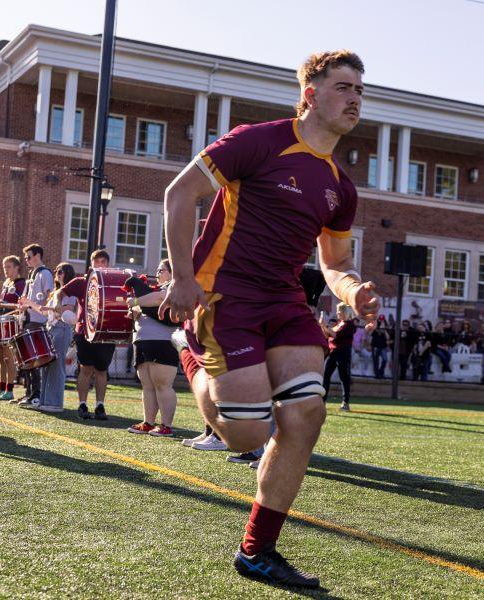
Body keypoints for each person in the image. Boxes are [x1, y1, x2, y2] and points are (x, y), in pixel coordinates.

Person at [160, 50, 377, 588]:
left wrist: (354, 294)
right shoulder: (257, 140)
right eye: (344, 87)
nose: (354, 99)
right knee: (246, 432)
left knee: (306, 416)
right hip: (222, 296)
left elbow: (336, 264)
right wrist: (184, 280)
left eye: (360, 91)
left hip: (283, 302)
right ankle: (189, 352)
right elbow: (180, 192)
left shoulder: (339, 187)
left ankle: (257, 551)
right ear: (311, 93)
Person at [125, 259, 180, 437]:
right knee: (147, 385)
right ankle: (148, 422)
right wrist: (136, 312)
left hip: (163, 341)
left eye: (161, 270)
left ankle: (166, 425)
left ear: (172, 273)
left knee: (163, 385)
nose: (157, 273)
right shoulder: (151, 292)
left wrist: (134, 301)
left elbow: (159, 299)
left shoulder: (173, 286)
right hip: (143, 340)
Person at [59, 249, 115, 420]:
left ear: (108, 264)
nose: (99, 265)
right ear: (91, 264)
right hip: (84, 332)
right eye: (96, 262)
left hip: (106, 333)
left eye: (103, 262)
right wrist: (61, 308)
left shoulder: (114, 282)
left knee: (101, 371)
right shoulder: (81, 282)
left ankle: (100, 406)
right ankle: (82, 405)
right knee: (85, 369)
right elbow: (60, 293)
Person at [20, 262, 78, 412]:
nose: (56, 274)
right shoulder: (55, 292)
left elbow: (67, 310)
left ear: (66, 274)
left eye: (60, 272)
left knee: (57, 366)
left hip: (62, 328)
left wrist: (50, 308)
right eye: (56, 271)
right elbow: (44, 312)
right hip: (51, 328)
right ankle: (45, 400)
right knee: (46, 365)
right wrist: (29, 303)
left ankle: (55, 403)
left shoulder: (70, 292)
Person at [16, 243, 53, 406]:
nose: (26, 260)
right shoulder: (32, 274)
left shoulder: (45, 274)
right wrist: (22, 305)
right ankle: (29, 393)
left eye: (28, 257)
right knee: (27, 360)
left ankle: (36, 395)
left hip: (37, 321)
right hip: (27, 320)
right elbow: (25, 299)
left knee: (35, 359)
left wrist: (35, 306)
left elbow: (49, 297)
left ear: (37, 256)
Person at [0, 255, 26, 400]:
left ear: (17, 267)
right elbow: (3, 301)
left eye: (8, 267)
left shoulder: (21, 284)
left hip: (11, 323)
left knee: (9, 358)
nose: (6, 270)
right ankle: (1, 388)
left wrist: (1, 304)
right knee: (0, 358)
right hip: (2, 323)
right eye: (4, 267)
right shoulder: (6, 283)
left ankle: (9, 391)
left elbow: (20, 305)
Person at [321, 303, 356, 411]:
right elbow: (328, 335)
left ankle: (345, 402)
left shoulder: (349, 324)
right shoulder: (339, 323)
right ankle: (323, 401)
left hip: (343, 352)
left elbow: (336, 335)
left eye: (338, 311)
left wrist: (326, 326)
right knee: (326, 376)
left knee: (343, 377)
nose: (337, 313)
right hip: (333, 352)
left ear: (344, 312)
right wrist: (323, 326)